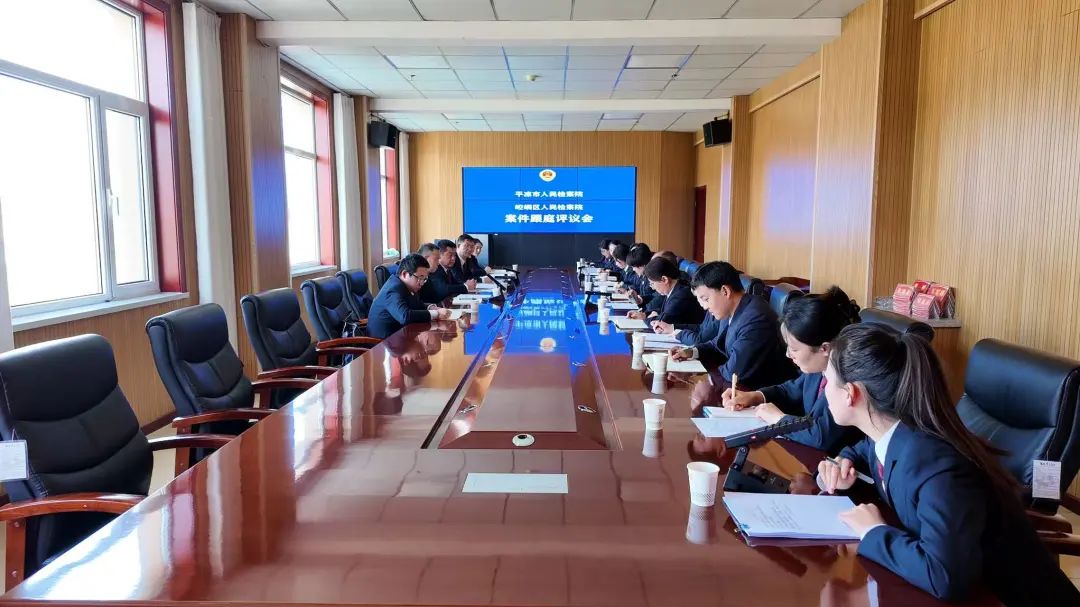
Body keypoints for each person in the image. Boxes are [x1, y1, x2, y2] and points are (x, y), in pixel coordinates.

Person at [817, 323, 1080, 604]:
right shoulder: (892, 431)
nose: (823, 389)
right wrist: (842, 462)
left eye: (827, 381)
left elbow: (943, 576)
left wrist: (874, 532)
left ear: (851, 393)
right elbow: (863, 451)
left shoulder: (938, 467)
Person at [719, 286, 863, 452]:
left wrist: (779, 419)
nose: (788, 354)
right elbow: (792, 390)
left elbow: (822, 436)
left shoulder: (849, 379)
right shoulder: (818, 368)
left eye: (794, 349)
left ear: (824, 348)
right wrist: (755, 396)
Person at [671, 261, 796, 389]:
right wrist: (691, 352)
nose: (704, 307)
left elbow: (733, 372)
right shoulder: (734, 308)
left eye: (706, 299)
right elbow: (717, 345)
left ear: (725, 291)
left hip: (761, 393)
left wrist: (698, 379)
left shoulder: (756, 319)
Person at [367, 254, 452, 338]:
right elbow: (405, 316)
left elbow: (417, 305)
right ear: (404, 274)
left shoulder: (406, 286)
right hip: (383, 342)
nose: (422, 283)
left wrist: (432, 307)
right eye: (420, 278)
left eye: (424, 279)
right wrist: (436, 314)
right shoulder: (392, 290)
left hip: (400, 336)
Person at [624, 257, 703, 326]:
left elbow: (661, 323)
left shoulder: (681, 295)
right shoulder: (674, 288)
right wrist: (645, 314)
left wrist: (645, 318)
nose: (653, 288)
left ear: (664, 279)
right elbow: (664, 311)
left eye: (652, 283)